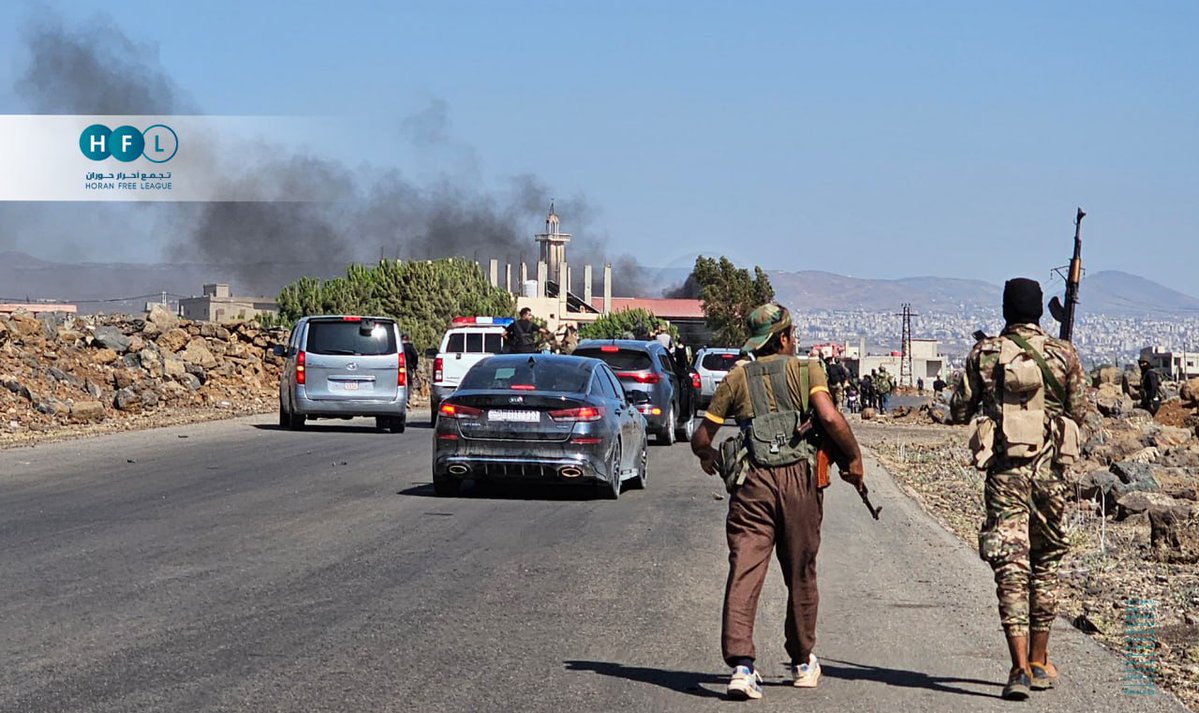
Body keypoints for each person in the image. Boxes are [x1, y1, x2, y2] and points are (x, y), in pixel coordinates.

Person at [690, 303, 867, 701]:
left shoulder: (737, 378)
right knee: (801, 570)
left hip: (752, 484)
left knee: (745, 570)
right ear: (784, 338)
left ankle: (741, 667)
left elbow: (702, 437)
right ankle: (803, 662)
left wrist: (710, 459)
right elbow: (831, 418)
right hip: (800, 481)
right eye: (793, 335)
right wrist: (854, 460)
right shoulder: (809, 370)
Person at [950, 278, 1087, 701]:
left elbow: (958, 410)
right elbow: (1080, 412)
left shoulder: (986, 353)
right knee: (1046, 564)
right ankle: (1042, 660)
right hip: (1051, 478)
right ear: (1040, 313)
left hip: (1006, 476)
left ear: (1005, 310)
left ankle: (1018, 667)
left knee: (1012, 568)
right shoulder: (1064, 354)